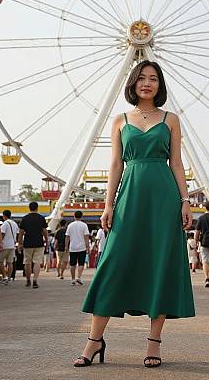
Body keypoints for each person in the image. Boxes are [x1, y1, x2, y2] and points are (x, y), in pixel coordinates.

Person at [74, 60, 194, 368]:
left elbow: (176, 163)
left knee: (160, 265)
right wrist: (108, 203)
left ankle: (153, 344)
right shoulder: (119, 120)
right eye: (142, 78)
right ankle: (94, 341)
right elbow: (116, 165)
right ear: (133, 82)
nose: (147, 83)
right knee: (112, 264)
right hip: (129, 197)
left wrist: (185, 200)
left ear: (160, 85)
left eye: (154, 78)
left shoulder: (171, 120)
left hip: (164, 199)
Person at [18, 201, 49, 289]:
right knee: (37, 262)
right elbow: (45, 232)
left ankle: (28, 280)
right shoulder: (41, 218)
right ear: (37, 208)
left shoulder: (25, 218)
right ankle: (35, 279)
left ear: (29, 208)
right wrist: (47, 242)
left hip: (27, 243)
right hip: (39, 243)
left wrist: (19, 243)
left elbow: (21, 233)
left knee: (27, 262)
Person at [194, 201, 209, 287]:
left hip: (204, 242)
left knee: (205, 261)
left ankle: (206, 279)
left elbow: (197, 232)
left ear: (205, 207)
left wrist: (196, 242)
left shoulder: (201, 218)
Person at [65, 210, 90, 285]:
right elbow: (86, 237)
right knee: (81, 263)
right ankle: (78, 277)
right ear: (81, 216)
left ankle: (72, 279)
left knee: (72, 264)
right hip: (82, 247)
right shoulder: (84, 225)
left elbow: (67, 237)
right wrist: (87, 246)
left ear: (74, 216)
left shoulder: (70, 225)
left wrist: (66, 246)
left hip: (72, 247)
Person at [0, 210, 19, 285]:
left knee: (0, 262)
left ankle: (4, 277)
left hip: (5, 245)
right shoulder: (14, 223)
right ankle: (9, 277)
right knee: (10, 262)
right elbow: (17, 234)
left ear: (4, 216)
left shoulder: (5, 223)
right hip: (12, 245)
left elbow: (2, 234)